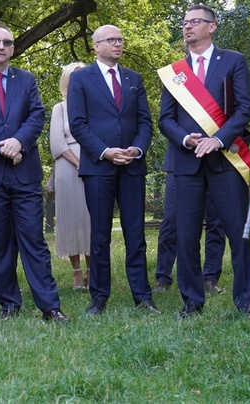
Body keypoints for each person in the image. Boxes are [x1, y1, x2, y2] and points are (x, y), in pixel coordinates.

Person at [0, 23, 68, 322]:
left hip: (24, 171)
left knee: (34, 240)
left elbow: (36, 114)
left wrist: (19, 141)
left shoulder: (26, 79)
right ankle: (9, 304)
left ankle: (50, 307)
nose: (1, 46)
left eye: (7, 42)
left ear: (13, 48)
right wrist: (3, 147)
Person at [158, 5, 250, 319]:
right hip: (186, 162)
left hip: (225, 159)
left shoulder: (233, 61)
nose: (187, 27)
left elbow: (244, 109)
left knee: (237, 232)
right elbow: (165, 120)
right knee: (186, 234)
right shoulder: (174, 72)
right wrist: (186, 139)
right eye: (184, 23)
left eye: (195, 22)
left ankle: (245, 303)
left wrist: (219, 138)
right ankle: (191, 302)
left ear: (212, 27)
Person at [68, 26, 158, 315]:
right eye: (111, 40)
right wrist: (105, 152)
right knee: (100, 236)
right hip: (98, 168)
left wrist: (137, 149)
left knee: (136, 234)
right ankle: (99, 298)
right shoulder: (81, 79)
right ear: (95, 46)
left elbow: (145, 122)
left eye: (120, 39)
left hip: (132, 166)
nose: (118, 43)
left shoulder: (134, 78)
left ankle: (143, 297)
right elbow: (77, 124)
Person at [154, 145, 227, 294]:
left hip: (216, 161)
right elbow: (167, 122)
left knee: (216, 222)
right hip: (180, 159)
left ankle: (211, 278)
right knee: (171, 221)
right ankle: (163, 277)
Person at [49, 61, 91, 290]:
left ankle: (92, 270)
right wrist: (79, 162)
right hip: (68, 167)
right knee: (71, 220)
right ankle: (76, 272)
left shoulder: (95, 105)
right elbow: (56, 143)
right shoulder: (60, 108)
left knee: (93, 220)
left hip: (95, 166)